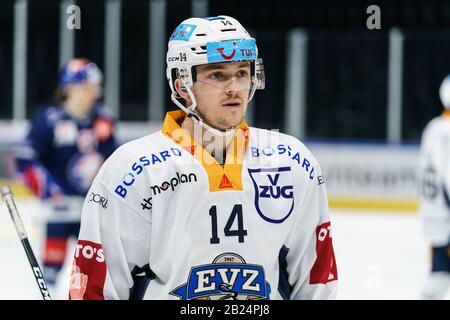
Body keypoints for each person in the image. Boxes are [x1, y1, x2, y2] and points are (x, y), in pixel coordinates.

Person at [70, 16, 337, 300]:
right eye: (217, 75)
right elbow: (96, 287)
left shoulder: (292, 161)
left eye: (242, 73)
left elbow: (316, 279)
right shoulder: (131, 170)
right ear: (182, 85)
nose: (234, 87)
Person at [15, 58, 117, 298]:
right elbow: (25, 160)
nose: (96, 91)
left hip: (93, 211)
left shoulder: (103, 119)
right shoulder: (49, 119)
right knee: (50, 272)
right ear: (73, 87)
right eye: (91, 85)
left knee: (97, 272)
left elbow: (116, 162)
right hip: (60, 211)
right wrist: (49, 191)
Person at [418, 75, 450, 299]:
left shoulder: (432, 127)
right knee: (440, 277)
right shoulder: (447, 132)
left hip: (432, 215)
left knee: (439, 272)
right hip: (446, 218)